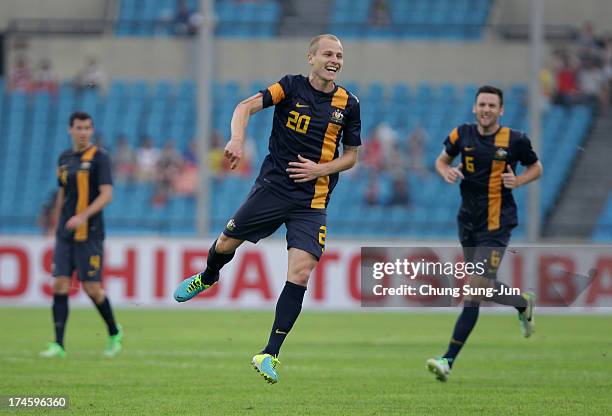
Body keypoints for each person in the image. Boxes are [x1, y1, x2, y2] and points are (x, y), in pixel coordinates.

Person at [173, 34, 361, 384]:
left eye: (339, 54)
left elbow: (351, 156)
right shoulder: (289, 87)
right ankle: (209, 276)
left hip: (312, 200)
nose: (334, 59)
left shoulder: (348, 103)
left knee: (301, 272)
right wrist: (237, 138)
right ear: (311, 58)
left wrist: (321, 169)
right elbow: (244, 106)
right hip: (273, 189)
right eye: (327, 53)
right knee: (226, 244)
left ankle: (269, 353)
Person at [427, 85, 543, 382]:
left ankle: (447, 361)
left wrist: (517, 181)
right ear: (475, 108)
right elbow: (440, 160)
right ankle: (521, 303)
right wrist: (446, 171)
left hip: (497, 223)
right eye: (482, 104)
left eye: (492, 105)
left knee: (474, 290)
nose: (487, 109)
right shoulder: (461, 134)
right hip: (467, 221)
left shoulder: (515, 140)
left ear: (501, 110)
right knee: (481, 286)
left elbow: (537, 168)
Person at [40, 111, 123, 358]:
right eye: (79, 128)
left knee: (92, 289)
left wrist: (82, 216)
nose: (84, 132)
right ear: (70, 130)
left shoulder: (100, 157)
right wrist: (56, 222)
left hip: (90, 233)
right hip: (65, 232)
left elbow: (107, 195)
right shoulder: (64, 158)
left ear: (92, 129)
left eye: (87, 128)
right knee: (59, 283)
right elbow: (63, 194)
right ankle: (58, 344)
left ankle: (113, 331)